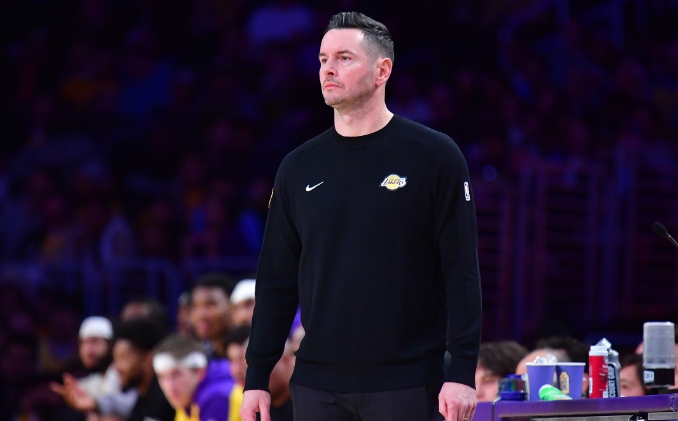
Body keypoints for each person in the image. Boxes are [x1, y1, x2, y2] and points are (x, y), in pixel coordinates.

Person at [241, 11, 482, 421]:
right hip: (316, 384)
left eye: (344, 58)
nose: (328, 69)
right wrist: (257, 376)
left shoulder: (434, 155)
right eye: (323, 59)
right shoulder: (298, 166)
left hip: (407, 381)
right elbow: (276, 281)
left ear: (382, 70)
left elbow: (461, 271)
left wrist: (462, 371)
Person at [52, 320, 175, 421]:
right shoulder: (143, 398)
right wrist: (95, 405)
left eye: (123, 358)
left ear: (147, 359)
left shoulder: (167, 397)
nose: (116, 367)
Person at [153, 334, 232, 421]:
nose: (169, 385)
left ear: (200, 372)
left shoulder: (216, 399)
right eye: (162, 377)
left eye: (176, 374)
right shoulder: (186, 401)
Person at [190, 273, 235, 358]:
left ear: (232, 306)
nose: (201, 314)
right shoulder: (201, 356)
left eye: (210, 304)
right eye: (195, 306)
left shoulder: (248, 355)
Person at [76, 316, 121, 399]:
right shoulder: (84, 385)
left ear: (110, 345)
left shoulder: (122, 378)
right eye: (83, 343)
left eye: (94, 341)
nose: (88, 350)